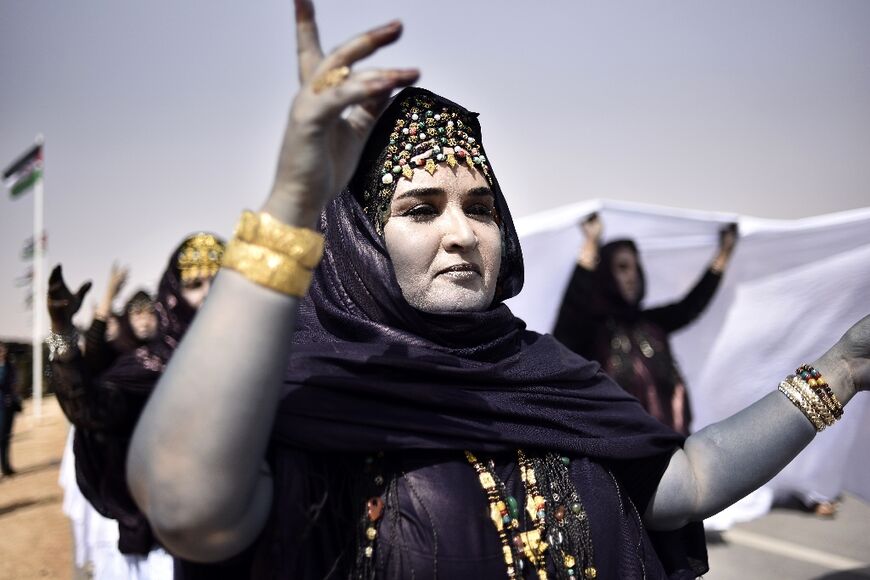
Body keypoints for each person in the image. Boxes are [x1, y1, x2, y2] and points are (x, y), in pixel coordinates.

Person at [127, 3, 869, 578]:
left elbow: (690, 477)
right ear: (359, 240)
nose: (462, 234)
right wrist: (294, 199)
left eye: (480, 208)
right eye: (419, 210)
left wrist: (843, 368)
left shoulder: (544, 376)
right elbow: (186, 508)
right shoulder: (311, 395)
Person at [47, 232, 224, 579]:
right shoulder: (148, 366)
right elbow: (88, 407)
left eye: (219, 282)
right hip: (164, 547)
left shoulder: (258, 359)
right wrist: (62, 332)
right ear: (173, 294)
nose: (207, 295)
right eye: (195, 283)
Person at [552, 214, 736, 435]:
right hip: (623, 460)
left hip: (676, 452)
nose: (632, 276)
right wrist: (591, 243)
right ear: (605, 275)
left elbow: (691, 305)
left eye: (635, 268)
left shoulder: (652, 323)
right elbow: (572, 309)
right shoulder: (591, 331)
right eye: (622, 267)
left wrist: (724, 254)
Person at [0, 341, 22, 477]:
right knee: (2, 438)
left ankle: (6, 466)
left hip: (8, 407)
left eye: (3, 350)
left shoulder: (10, 366)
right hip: (1, 406)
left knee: (6, 438)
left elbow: (14, 382)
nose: (2, 352)